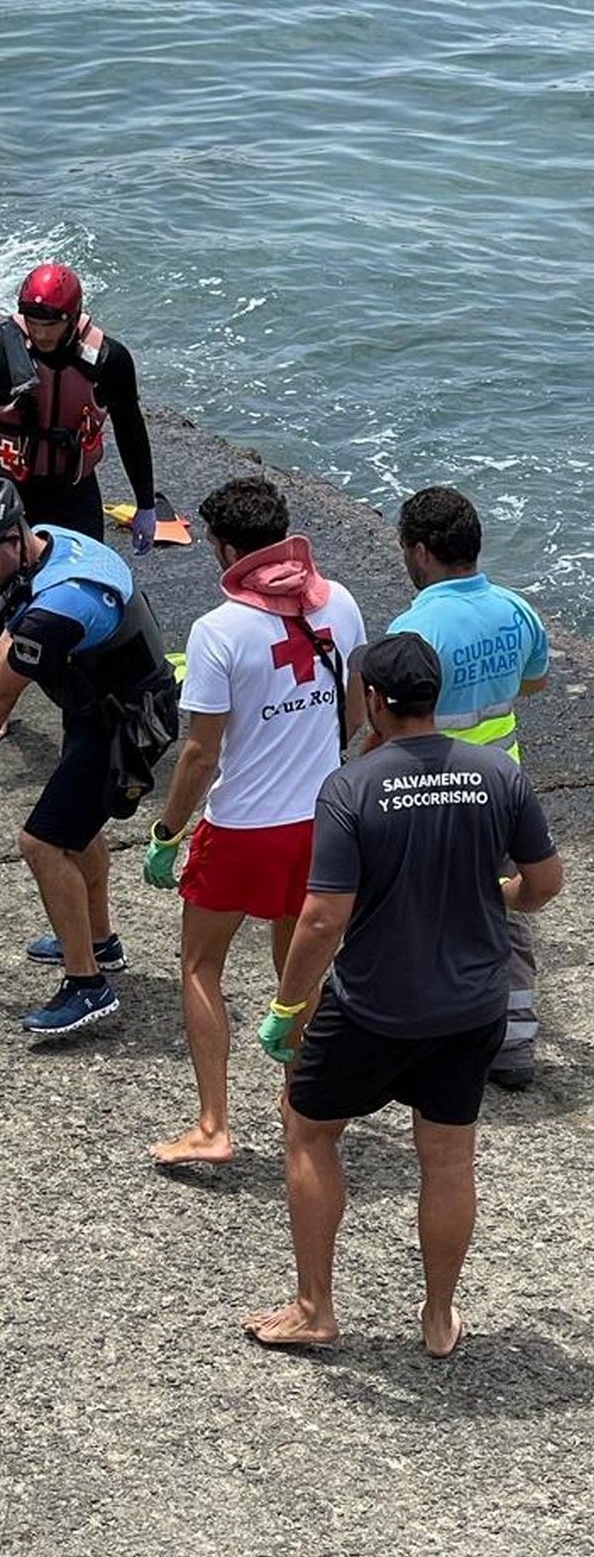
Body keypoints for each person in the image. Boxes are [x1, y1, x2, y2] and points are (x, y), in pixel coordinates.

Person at [246, 633, 563, 1355]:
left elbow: (323, 916)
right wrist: (497, 893)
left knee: (309, 1127)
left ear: (375, 702)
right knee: (449, 1159)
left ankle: (315, 1306)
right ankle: (439, 1315)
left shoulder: (351, 787)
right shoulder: (497, 775)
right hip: (474, 1004)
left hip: (375, 1006)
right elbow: (542, 884)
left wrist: (287, 1011)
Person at [143, 477, 366, 1167]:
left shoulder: (218, 630)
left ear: (226, 548)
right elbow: (355, 709)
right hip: (324, 819)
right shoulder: (343, 603)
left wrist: (167, 833)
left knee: (199, 964)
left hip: (242, 827)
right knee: (296, 964)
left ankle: (213, 1123)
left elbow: (201, 753)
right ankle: (302, 1101)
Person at [0, 474, 177, 1035]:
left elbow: (5, 686)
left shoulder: (61, 605)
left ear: (10, 540)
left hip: (127, 727)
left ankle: (87, 985)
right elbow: (5, 639)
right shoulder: (49, 541)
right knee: (77, 828)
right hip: (101, 707)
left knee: (42, 842)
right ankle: (99, 942)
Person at [386, 485, 551, 1091]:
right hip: (505, 784)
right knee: (500, 909)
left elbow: (393, 718)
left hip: (433, 787)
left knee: (420, 911)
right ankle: (514, 1043)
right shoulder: (516, 609)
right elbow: (533, 683)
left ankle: (428, 1035)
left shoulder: (415, 626)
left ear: (423, 552)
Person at [0, 263, 180, 552]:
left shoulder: (109, 361)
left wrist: (145, 505)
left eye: (51, 325)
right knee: (14, 590)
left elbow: (130, 432)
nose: (41, 335)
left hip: (74, 496)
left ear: (73, 318)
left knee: (84, 586)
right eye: (32, 323)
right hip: (8, 495)